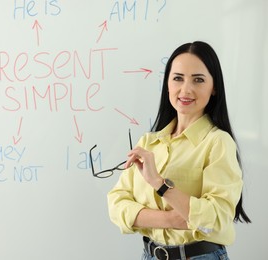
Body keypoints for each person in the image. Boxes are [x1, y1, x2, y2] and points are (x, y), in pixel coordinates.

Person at [107, 41, 251, 260]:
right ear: (167, 84)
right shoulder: (148, 142)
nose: (186, 89)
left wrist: (159, 184)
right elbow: (117, 205)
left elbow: (217, 219)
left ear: (214, 88)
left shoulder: (218, 142)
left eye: (198, 80)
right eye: (178, 78)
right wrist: (172, 220)